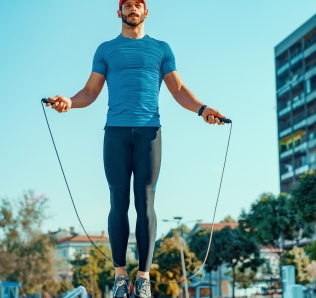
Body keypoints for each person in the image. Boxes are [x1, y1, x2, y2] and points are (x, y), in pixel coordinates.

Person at [46, 0, 227, 297]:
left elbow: (179, 90)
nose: (133, 8)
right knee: (118, 202)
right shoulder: (105, 49)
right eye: (127, 4)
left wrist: (203, 109)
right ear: (119, 12)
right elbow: (90, 92)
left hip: (149, 134)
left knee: (145, 205)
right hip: (115, 133)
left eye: (138, 4)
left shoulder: (161, 49)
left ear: (145, 12)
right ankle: (120, 277)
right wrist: (69, 101)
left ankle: (142, 279)